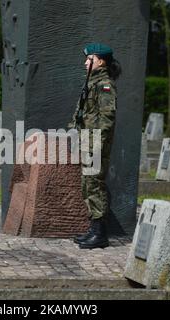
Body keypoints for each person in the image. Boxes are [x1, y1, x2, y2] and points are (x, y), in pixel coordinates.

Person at [67, 43, 121, 249]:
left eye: (89, 59)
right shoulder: (92, 82)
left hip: (95, 143)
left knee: (94, 184)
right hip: (88, 141)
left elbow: (107, 117)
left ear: (100, 61)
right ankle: (94, 229)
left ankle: (100, 234)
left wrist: (97, 143)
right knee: (88, 184)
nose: (85, 62)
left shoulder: (104, 84)